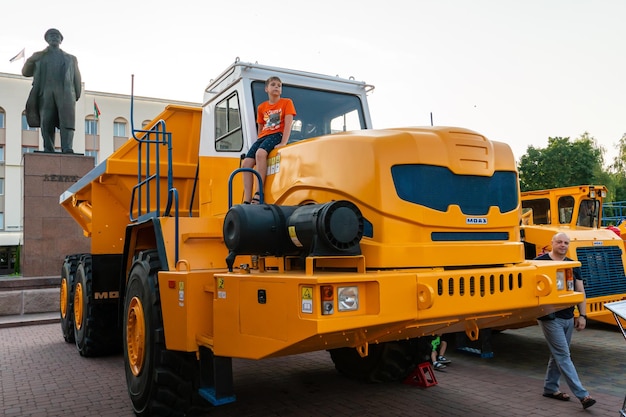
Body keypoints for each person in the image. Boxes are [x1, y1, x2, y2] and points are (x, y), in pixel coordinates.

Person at [536, 232, 596, 409]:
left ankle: (550, 388)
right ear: (552, 243)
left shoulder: (573, 264)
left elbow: (580, 291)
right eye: (559, 242)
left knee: (559, 355)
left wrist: (583, 315)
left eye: (566, 243)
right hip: (549, 317)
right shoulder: (539, 262)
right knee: (563, 355)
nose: (563, 245)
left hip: (568, 316)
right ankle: (583, 395)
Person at [22, 28, 82, 153]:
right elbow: (25, 72)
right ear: (47, 39)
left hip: (65, 94)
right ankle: (48, 148)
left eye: (56, 35)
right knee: (46, 121)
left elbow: (77, 77)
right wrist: (31, 59)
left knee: (67, 123)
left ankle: (67, 147)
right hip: (45, 93)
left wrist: (75, 95)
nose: (53, 37)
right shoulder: (39, 56)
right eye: (50, 35)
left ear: (61, 39)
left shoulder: (71, 58)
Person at [242, 76, 295, 204]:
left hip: (277, 134)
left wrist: (283, 142)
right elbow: (260, 126)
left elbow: (288, 123)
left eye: (279, 85)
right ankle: (247, 199)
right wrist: (260, 139)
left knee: (260, 154)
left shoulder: (286, 102)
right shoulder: (261, 107)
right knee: (246, 163)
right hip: (263, 136)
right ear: (266, 89)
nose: (276, 87)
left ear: (281, 90)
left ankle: (259, 192)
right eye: (273, 84)